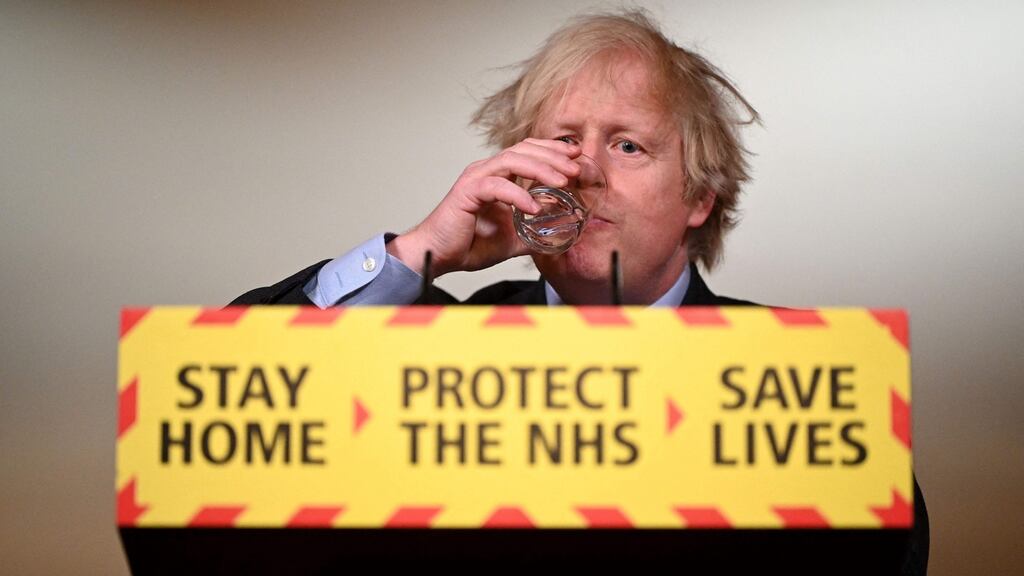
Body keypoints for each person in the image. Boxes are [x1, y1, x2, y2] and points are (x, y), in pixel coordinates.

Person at [232, 11, 928, 573]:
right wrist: (418, 254)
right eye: (563, 142)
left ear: (700, 197)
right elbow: (232, 395)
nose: (585, 172)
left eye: (628, 146)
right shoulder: (432, 348)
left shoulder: (801, 375)